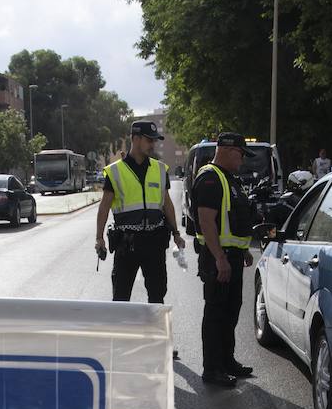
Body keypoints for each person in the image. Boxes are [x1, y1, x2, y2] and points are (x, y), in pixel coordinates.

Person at [192, 132, 258, 387]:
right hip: (217, 258)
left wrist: (243, 250)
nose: (242, 161)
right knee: (216, 313)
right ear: (229, 151)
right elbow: (207, 220)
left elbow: (232, 220)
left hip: (232, 257)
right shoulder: (210, 178)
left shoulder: (229, 179)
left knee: (231, 312)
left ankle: (227, 361)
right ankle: (212, 369)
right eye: (241, 154)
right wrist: (220, 257)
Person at [95, 119, 185, 304]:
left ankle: (154, 333)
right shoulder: (115, 171)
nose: (153, 144)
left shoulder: (159, 169)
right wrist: (99, 238)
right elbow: (104, 207)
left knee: (157, 296)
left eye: (154, 140)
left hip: (154, 243)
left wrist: (176, 232)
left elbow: (167, 204)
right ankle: (121, 333)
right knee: (121, 298)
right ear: (135, 139)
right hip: (127, 244)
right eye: (149, 140)